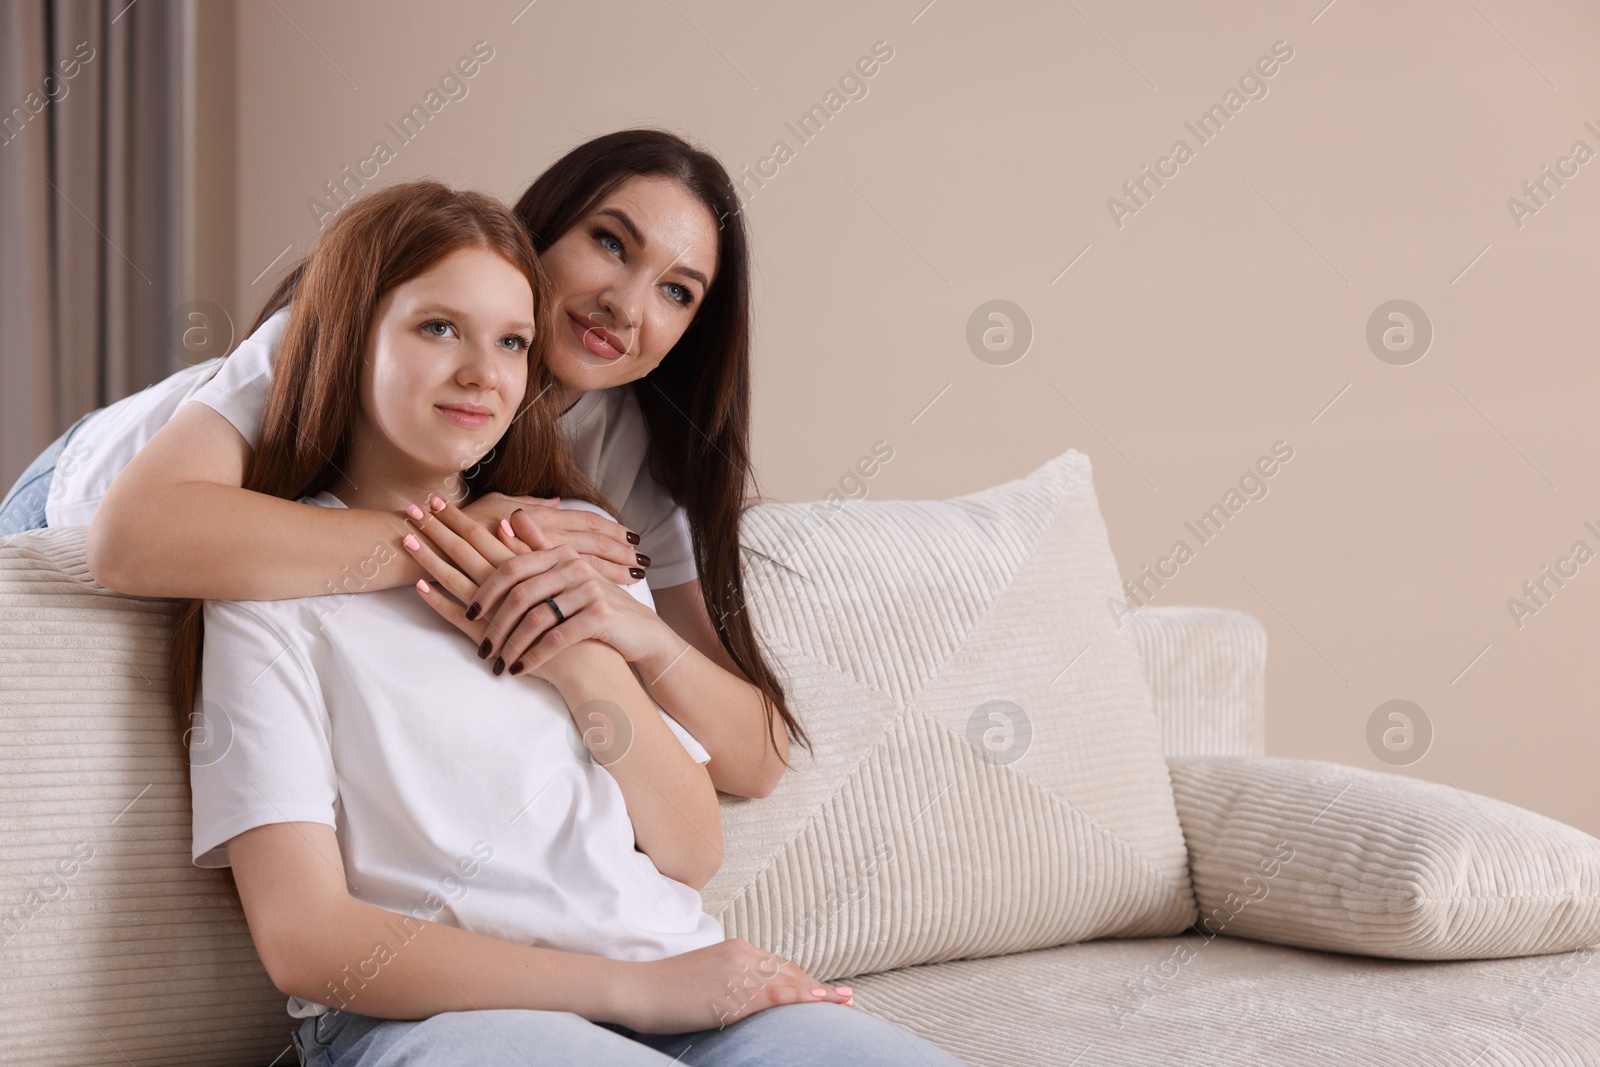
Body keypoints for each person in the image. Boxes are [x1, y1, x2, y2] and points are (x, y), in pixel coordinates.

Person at [188, 178, 964, 1066]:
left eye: (512, 341)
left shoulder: (568, 539)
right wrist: (637, 991)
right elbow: (308, 940)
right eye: (438, 327)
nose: (483, 371)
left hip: (688, 985)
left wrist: (585, 659)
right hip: (451, 1019)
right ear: (346, 335)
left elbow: (689, 849)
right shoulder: (264, 597)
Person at [0, 129, 801, 801]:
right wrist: (455, 535)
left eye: (677, 291)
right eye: (609, 242)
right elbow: (131, 537)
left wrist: (635, 636)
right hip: (77, 493)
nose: (627, 304)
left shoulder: (630, 447)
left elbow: (755, 754)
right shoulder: (368, 319)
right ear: (542, 231)